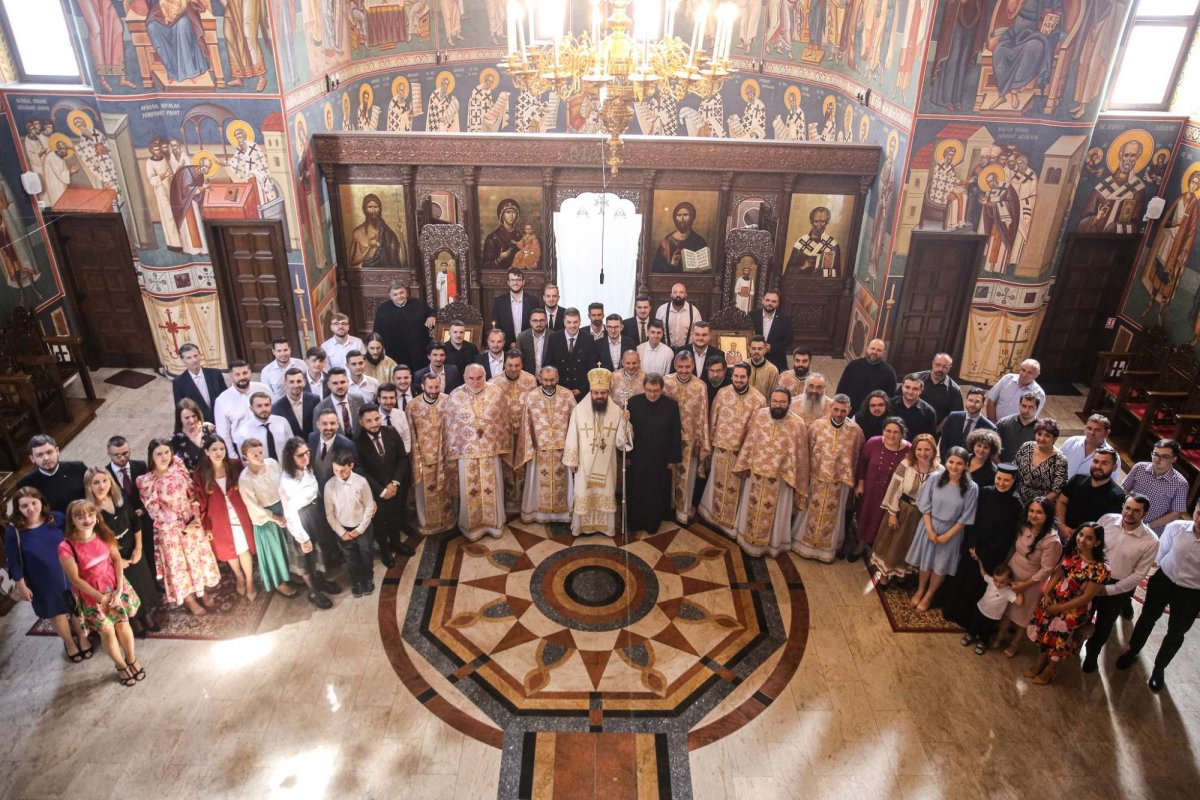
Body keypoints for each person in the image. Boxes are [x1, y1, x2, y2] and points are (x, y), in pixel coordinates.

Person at [1115, 504, 1200, 692]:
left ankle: (1159, 668)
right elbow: (1162, 554)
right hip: (1164, 580)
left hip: (1192, 593)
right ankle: (1133, 650)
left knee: (1176, 632)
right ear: (1194, 511)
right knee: (1147, 618)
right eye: (1199, 513)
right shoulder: (1176, 527)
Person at [58, 500, 143, 685]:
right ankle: (120, 665)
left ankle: (132, 659)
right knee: (108, 633)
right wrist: (100, 598)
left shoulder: (104, 533)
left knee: (123, 625)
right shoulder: (67, 546)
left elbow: (117, 560)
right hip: (92, 595)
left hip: (114, 587)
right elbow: (75, 579)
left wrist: (119, 588)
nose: (86, 519)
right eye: (80, 516)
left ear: (96, 516)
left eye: (90, 514)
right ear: (72, 521)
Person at [5, 487, 90, 661]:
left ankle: (82, 637)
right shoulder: (13, 531)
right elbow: (13, 561)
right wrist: (21, 585)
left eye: (33, 503)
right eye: (24, 506)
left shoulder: (56, 518)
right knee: (56, 612)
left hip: (67, 574)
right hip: (40, 581)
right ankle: (69, 643)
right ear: (17, 508)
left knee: (76, 609)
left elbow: (73, 539)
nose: (30, 509)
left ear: (41, 502)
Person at [138, 439, 221, 616]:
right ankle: (189, 598)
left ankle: (202, 590)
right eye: (159, 454)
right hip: (171, 530)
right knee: (179, 565)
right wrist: (183, 527)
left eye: (166, 452)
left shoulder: (178, 467)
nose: (164, 457)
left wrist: (195, 518)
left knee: (196, 559)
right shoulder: (147, 481)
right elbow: (155, 512)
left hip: (190, 520)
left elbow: (192, 494)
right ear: (151, 456)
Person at [935, 464, 1023, 627]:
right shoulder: (985, 492)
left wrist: (982, 552)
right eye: (999, 478)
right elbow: (972, 518)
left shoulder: (1016, 504)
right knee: (962, 578)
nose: (1001, 483)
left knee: (977, 585)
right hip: (973, 545)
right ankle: (951, 610)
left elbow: (1007, 536)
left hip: (992, 553)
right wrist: (972, 545)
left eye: (1006, 480)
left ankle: (967, 618)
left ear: (1014, 481)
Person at [1025, 523, 1110, 685]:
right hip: (1054, 599)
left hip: (1072, 610)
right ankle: (1039, 663)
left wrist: (1059, 608)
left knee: (1058, 641)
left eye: (1089, 538)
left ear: (1097, 543)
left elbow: (1086, 597)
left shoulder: (1100, 568)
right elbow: (1058, 572)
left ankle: (1050, 670)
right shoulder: (1073, 551)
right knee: (1045, 633)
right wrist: (1047, 592)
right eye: (1081, 535)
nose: (1082, 540)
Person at [1081, 496, 1158, 673]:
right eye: (1127, 508)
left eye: (1136, 510)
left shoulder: (1151, 541)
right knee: (1081, 614)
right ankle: (1073, 646)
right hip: (1093, 575)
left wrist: (1109, 590)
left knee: (1104, 624)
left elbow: (1139, 574)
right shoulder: (1107, 519)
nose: (1130, 513)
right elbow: (1090, 545)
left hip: (1118, 586)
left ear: (1144, 513)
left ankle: (1092, 654)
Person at [731, 389, 809, 556]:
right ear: (770, 401)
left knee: (775, 513)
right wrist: (744, 463)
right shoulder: (759, 415)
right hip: (756, 475)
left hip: (780, 479)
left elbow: (801, 455)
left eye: (782, 402)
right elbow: (750, 439)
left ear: (789, 403)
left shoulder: (798, 424)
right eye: (775, 401)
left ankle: (771, 545)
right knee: (751, 508)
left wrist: (796, 478)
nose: (778, 405)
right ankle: (747, 540)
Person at [85, 466, 161, 636]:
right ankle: (134, 621)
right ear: (89, 486)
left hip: (132, 545)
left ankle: (146, 615)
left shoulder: (119, 498)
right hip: (112, 554)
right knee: (126, 587)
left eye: (105, 480)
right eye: (96, 482)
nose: (101, 485)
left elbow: (135, 522)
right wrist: (117, 560)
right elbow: (97, 541)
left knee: (142, 582)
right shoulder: (90, 510)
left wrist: (138, 548)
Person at [905, 446, 979, 611]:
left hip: (951, 531)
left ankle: (929, 595)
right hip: (929, 525)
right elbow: (924, 505)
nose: (954, 466)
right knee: (926, 562)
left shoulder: (971, 487)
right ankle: (920, 589)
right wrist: (930, 530)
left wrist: (947, 536)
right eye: (951, 462)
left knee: (940, 566)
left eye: (959, 463)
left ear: (966, 465)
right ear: (946, 462)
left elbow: (966, 517)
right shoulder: (934, 478)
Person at [792, 394, 864, 562]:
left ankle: (826, 550)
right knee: (810, 510)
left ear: (849, 410)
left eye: (843, 411)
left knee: (834, 515)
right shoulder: (818, 426)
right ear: (831, 408)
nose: (839, 413)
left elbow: (857, 457)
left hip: (839, 483)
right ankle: (804, 544)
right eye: (836, 409)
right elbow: (807, 450)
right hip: (817, 478)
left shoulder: (856, 431)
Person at [562, 368, 633, 535]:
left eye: (603, 392)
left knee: (606, 490)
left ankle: (606, 527)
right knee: (584, 491)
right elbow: (572, 435)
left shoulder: (616, 410)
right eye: (596, 393)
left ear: (608, 392)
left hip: (607, 463)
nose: (599, 396)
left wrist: (625, 423)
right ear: (591, 392)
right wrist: (572, 461)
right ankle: (581, 527)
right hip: (584, 463)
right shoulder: (579, 410)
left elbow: (621, 442)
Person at [445, 364, 509, 540]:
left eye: (479, 377)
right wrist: (454, 448)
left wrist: (498, 442)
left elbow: (504, 419)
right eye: (471, 378)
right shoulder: (455, 396)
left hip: (489, 450)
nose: (475, 382)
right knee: (470, 489)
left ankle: (494, 524)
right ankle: (472, 527)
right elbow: (450, 425)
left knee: (491, 487)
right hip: (466, 452)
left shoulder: (496, 392)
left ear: (485, 375)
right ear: (464, 377)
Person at [994, 497, 1064, 658]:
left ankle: (1015, 644)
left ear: (1047, 515)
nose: (1033, 515)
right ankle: (999, 636)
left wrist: (1024, 585)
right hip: (1012, 572)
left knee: (1021, 616)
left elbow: (1047, 570)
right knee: (1007, 609)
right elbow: (1014, 548)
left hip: (1032, 582)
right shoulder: (1025, 527)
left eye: (1039, 512)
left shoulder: (1052, 540)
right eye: (1031, 511)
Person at [699, 364, 764, 536]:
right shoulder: (723, 393)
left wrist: (748, 454)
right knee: (717, 483)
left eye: (742, 377)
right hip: (720, 449)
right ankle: (713, 516)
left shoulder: (758, 400)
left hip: (740, 454)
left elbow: (757, 431)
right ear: (732, 376)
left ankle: (732, 523)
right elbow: (713, 418)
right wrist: (709, 444)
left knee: (737, 490)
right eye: (736, 376)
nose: (739, 380)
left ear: (748, 377)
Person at [870, 434, 939, 586]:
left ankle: (902, 574)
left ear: (933, 450)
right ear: (914, 450)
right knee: (893, 544)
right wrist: (893, 513)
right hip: (903, 510)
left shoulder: (939, 470)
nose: (923, 453)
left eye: (927, 449)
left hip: (923, 515)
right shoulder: (906, 465)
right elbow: (894, 488)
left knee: (909, 545)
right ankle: (885, 575)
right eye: (919, 449)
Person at [277, 437, 338, 609]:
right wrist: (302, 538)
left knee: (318, 552)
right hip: (300, 520)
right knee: (305, 558)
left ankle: (320, 581)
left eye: (307, 453)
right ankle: (313, 591)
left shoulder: (307, 468)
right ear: (290, 458)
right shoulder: (287, 481)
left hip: (314, 513)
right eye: (300, 455)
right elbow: (290, 512)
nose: (305, 457)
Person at [195, 435, 258, 600]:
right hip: (219, 519)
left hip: (240, 514)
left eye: (221, 449)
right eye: (214, 449)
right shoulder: (200, 474)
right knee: (230, 551)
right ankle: (239, 577)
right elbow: (200, 502)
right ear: (207, 451)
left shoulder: (234, 466)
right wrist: (206, 526)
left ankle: (250, 581)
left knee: (243, 548)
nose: (219, 452)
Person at [236, 438, 300, 599]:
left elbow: (284, 482)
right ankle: (279, 582)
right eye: (253, 454)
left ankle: (291, 573)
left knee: (288, 545)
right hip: (266, 518)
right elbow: (253, 506)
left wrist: (288, 505)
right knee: (275, 550)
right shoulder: (245, 479)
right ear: (245, 457)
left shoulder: (271, 463)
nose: (259, 456)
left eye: (260, 452)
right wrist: (275, 518)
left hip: (283, 507)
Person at [354, 404, 417, 565]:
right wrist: (381, 490)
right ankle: (385, 550)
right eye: (369, 421)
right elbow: (361, 471)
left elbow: (402, 458)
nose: (374, 423)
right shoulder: (357, 442)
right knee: (380, 523)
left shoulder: (391, 432)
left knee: (396, 517)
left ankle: (397, 544)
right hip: (375, 492)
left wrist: (395, 483)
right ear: (361, 422)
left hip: (395, 487)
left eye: (377, 419)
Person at [514, 366, 576, 524]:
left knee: (564, 483)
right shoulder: (531, 397)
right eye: (546, 380)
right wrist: (528, 447)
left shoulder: (567, 396)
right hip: (539, 449)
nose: (549, 383)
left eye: (552, 380)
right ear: (539, 379)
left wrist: (573, 447)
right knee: (538, 483)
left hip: (562, 449)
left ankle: (564, 515)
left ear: (558, 378)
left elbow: (575, 423)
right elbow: (525, 424)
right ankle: (537, 513)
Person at [663, 352, 711, 525]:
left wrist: (700, 442)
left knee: (686, 477)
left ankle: (682, 512)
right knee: (667, 475)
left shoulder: (700, 386)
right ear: (675, 366)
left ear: (693, 366)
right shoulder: (666, 382)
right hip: (668, 439)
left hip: (689, 440)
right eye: (680, 367)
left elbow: (703, 415)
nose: (684, 370)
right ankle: (666, 509)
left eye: (687, 367)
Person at [407, 373, 458, 535]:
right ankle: (427, 522)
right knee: (426, 491)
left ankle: (447, 519)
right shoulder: (413, 406)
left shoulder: (448, 401)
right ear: (422, 386)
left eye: (437, 387)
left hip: (445, 455)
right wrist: (416, 457)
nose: (434, 390)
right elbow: (411, 434)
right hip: (424, 456)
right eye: (430, 387)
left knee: (445, 490)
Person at [853, 418, 911, 559]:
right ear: (883, 431)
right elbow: (862, 463)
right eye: (888, 431)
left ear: (902, 434)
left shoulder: (909, 449)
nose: (891, 435)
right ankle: (860, 545)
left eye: (896, 432)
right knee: (865, 516)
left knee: (881, 520)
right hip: (870, 489)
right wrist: (860, 483)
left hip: (891, 492)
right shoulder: (873, 442)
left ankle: (876, 549)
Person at [323, 449, 377, 598]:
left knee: (366, 553)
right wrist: (341, 532)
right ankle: (356, 580)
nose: (339, 474)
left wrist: (360, 529)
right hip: (343, 528)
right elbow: (329, 513)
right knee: (350, 556)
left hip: (362, 527)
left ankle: (368, 577)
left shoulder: (361, 482)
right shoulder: (329, 486)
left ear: (351, 466)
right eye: (336, 470)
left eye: (343, 470)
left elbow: (369, 506)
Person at [490, 351, 538, 517]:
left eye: (517, 365)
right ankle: (509, 500)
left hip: (524, 432)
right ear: (505, 364)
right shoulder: (494, 383)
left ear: (522, 365)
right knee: (507, 468)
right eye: (510, 365)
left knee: (523, 466)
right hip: (504, 434)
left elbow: (534, 405)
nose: (513, 369)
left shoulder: (530, 380)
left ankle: (523, 500)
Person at [1121, 439, 1190, 534]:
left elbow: (1176, 513)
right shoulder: (1139, 467)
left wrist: (1147, 526)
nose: (1157, 460)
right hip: (1127, 520)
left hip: (1151, 530)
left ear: (1174, 459)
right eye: (1155, 454)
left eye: (1164, 457)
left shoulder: (1180, 483)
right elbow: (1125, 488)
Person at [1056, 446, 1126, 539]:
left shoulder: (1117, 496)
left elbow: (1108, 527)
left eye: (1104, 463)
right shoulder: (1077, 479)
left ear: (1114, 467)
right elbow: (1061, 501)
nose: (1098, 466)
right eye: (1095, 461)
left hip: (1088, 541)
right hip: (1061, 532)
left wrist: (1078, 534)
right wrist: (1062, 526)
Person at [961, 562, 1022, 656]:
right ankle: (970, 635)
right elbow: (984, 574)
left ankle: (982, 642)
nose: (997, 584)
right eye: (995, 580)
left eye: (1002, 582)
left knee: (987, 630)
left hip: (993, 616)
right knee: (975, 624)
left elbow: (1019, 602)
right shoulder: (990, 581)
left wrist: (1019, 590)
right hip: (981, 608)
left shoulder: (1008, 592)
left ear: (1009, 580)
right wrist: (980, 562)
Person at [213, 360, 270, 457]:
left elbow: (275, 414)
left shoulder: (263, 389)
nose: (242, 377)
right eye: (237, 374)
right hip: (242, 447)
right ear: (231, 376)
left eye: (245, 373)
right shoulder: (222, 400)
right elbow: (223, 433)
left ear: (250, 372)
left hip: (268, 441)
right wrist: (232, 454)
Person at [1013, 418, 1068, 504]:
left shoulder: (1060, 459)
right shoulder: (1026, 446)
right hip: (1016, 497)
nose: (1042, 438)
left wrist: (1037, 506)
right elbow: (1014, 468)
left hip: (1041, 505)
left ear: (1054, 438)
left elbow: (1056, 490)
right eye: (1039, 434)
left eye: (1047, 435)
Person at [545, 308, 595, 400]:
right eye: (569, 322)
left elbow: (592, 368)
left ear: (580, 322)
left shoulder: (588, 339)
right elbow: (548, 365)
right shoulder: (554, 338)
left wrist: (581, 389)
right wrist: (559, 388)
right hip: (559, 391)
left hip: (581, 392)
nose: (572, 325)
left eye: (575, 322)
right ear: (564, 322)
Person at [836, 338, 897, 414]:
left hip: (873, 413)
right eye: (872, 348)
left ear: (883, 353)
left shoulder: (889, 372)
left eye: (879, 350)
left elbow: (890, 397)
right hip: (850, 410)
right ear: (867, 349)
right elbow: (842, 387)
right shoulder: (853, 365)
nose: (874, 352)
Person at [171, 342, 225, 422]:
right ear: (183, 360)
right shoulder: (178, 382)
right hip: (199, 423)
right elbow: (181, 409)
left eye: (195, 356)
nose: (194, 360)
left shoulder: (215, 374)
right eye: (189, 358)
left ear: (200, 355)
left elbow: (225, 396)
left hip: (222, 419)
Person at [1059, 414, 1122, 481]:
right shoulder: (1072, 441)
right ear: (1085, 428)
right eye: (1089, 428)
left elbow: (1109, 484)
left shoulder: (1113, 457)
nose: (1092, 432)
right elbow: (1056, 462)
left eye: (1097, 430)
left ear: (1107, 433)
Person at [938, 387, 996, 460]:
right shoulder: (953, 417)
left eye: (977, 402)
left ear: (983, 404)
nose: (972, 404)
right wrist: (945, 462)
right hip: (949, 463)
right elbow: (944, 443)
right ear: (966, 401)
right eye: (970, 400)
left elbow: (986, 455)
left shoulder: (990, 428)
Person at [234, 392, 292, 462]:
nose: (264, 409)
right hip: (261, 471)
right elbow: (246, 461)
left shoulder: (282, 422)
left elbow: (292, 447)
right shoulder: (244, 432)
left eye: (267, 405)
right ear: (251, 408)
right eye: (259, 406)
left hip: (285, 469)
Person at [912, 353, 964, 427]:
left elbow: (954, 415)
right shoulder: (915, 379)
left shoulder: (954, 390)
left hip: (934, 431)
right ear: (932, 363)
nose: (940, 369)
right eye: (938, 365)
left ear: (950, 367)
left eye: (945, 367)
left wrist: (937, 430)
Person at [491, 267, 539, 345]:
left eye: (518, 280)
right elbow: (497, 326)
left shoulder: (533, 301)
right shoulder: (499, 302)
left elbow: (537, 324)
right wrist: (509, 343)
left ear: (523, 282)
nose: (515, 283)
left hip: (528, 345)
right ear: (508, 282)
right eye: (512, 280)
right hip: (506, 346)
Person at [314, 368, 364, 437]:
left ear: (348, 382)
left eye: (342, 382)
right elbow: (319, 437)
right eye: (335, 383)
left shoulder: (359, 400)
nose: (340, 386)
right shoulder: (320, 408)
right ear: (329, 385)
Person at [751, 290, 792, 372]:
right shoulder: (752, 315)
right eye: (767, 300)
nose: (770, 303)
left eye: (774, 301)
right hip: (754, 356)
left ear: (778, 303)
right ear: (763, 300)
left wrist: (772, 348)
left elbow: (789, 341)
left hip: (776, 358)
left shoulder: (785, 319)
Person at [170, 398, 216, 470]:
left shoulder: (209, 429)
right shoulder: (175, 440)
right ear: (180, 419)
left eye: (194, 416)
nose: (191, 420)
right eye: (187, 418)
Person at [887, 374, 938, 438]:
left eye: (915, 389)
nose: (910, 392)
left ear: (921, 390)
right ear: (902, 387)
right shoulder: (889, 404)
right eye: (907, 387)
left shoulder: (929, 412)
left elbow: (928, 438)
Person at [273, 368, 319, 438]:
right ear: (285, 384)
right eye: (291, 382)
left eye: (299, 381)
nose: (296, 385)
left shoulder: (315, 400)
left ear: (304, 382)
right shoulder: (277, 408)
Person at [995, 391, 1040, 462]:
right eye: (1024, 406)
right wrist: (1000, 466)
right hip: (1001, 467)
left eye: (1030, 407)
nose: (1026, 410)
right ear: (1019, 405)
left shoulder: (1041, 430)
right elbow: (992, 447)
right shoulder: (1004, 423)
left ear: (1037, 408)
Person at [654, 283, 702, 348]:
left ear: (686, 295)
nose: (678, 295)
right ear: (671, 294)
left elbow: (699, 332)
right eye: (675, 292)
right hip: (666, 350)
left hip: (687, 351)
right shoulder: (662, 310)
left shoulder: (694, 311)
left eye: (681, 292)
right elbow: (656, 331)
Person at [517, 308, 550, 375]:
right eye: (535, 320)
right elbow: (518, 360)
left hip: (549, 379)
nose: (538, 323)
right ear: (530, 322)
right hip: (528, 378)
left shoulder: (554, 337)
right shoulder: (522, 338)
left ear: (546, 321)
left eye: (541, 320)